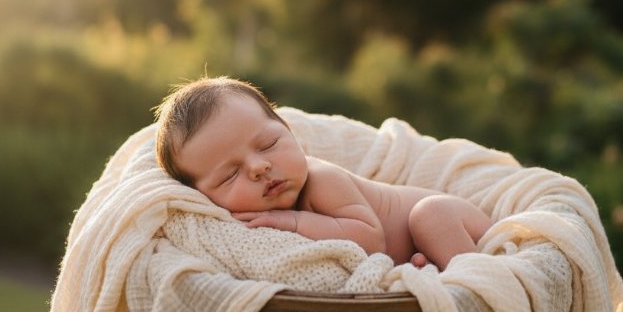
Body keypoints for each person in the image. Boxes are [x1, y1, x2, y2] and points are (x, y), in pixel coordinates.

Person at [154, 76, 494, 270]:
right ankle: (440, 267)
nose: (259, 167)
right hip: (419, 252)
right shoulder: (232, 226)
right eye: (229, 176)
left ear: (291, 132)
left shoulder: (321, 180)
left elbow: (371, 239)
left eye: (269, 144)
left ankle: (473, 282)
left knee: (429, 215)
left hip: (451, 218)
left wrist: (294, 223)